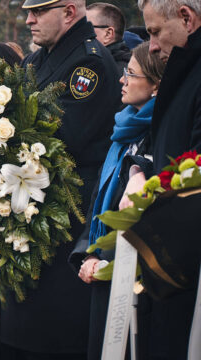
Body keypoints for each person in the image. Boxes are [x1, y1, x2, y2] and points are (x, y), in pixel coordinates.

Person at [0, 1, 121, 359]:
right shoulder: (36, 61)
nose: (29, 20)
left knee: (53, 336)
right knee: (20, 334)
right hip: (28, 210)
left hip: (66, 216)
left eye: (38, 12)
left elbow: (61, 139)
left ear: (69, 12)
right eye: (27, 12)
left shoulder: (89, 63)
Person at [69, 42, 165, 360]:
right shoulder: (123, 133)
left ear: (155, 87)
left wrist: (103, 259)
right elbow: (100, 201)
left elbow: (134, 214)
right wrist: (86, 254)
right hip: (100, 266)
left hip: (131, 275)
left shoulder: (158, 136)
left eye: (130, 74)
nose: (122, 80)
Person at [118, 1, 201, 358]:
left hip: (184, 269)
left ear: (186, 17)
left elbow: (193, 173)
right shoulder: (186, 71)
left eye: (154, 32)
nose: (151, 45)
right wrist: (139, 171)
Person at [87, 3, 131, 76]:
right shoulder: (93, 62)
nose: (80, 32)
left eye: (87, 28)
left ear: (108, 34)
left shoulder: (117, 74)